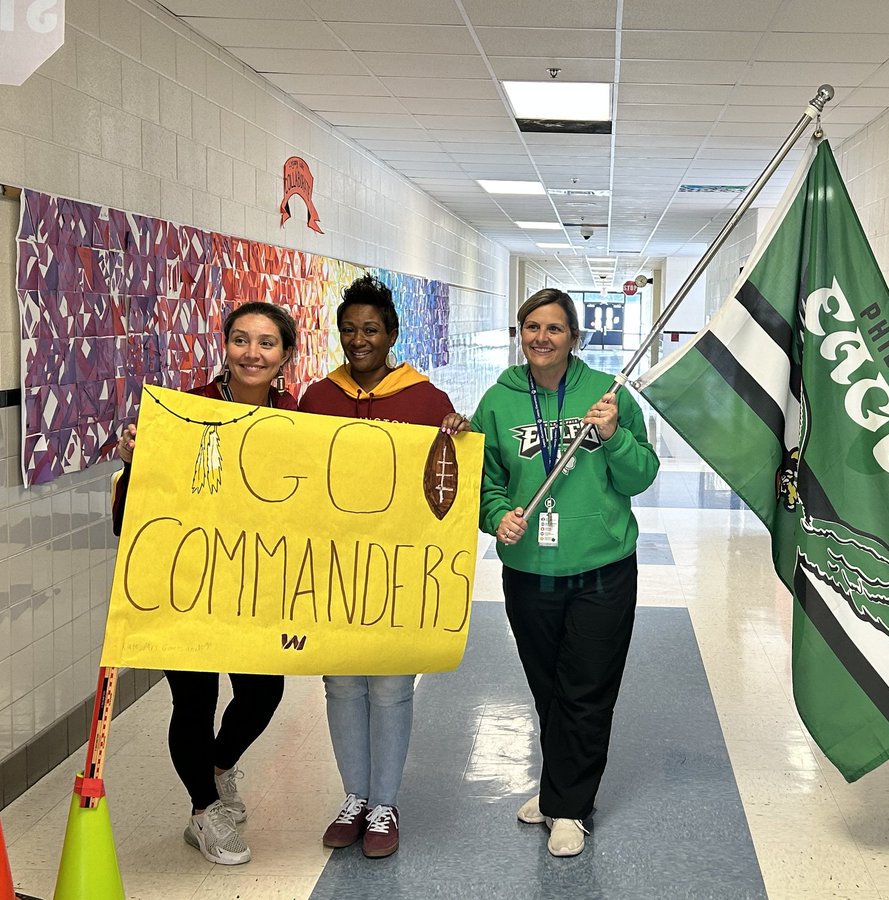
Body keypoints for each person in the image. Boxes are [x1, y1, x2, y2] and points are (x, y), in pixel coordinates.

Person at [470, 288, 660, 857]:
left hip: (602, 568)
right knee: (548, 687)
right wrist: (496, 516)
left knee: (587, 690)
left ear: (574, 337)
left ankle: (571, 807)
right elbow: (485, 481)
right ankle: (559, 788)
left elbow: (641, 475)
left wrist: (613, 435)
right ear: (519, 334)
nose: (542, 338)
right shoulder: (498, 401)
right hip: (530, 571)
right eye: (532, 327)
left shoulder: (608, 395)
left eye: (554, 328)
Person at [112, 301, 298, 866]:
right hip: (188, 583)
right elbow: (135, 511)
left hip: (256, 583)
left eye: (266, 343)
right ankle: (203, 810)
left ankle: (217, 769)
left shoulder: (298, 418)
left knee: (264, 693)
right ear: (225, 345)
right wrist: (136, 461)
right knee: (194, 699)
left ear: (286, 354)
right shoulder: (185, 411)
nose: (252, 353)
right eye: (240, 339)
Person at [298, 274, 469, 859]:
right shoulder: (318, 399)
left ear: (391, 334)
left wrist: (459, 435)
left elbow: (445, 483)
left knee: (391, 687)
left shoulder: (425, 401)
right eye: (349, 329)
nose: (358, 340)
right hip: (333, 567)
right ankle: (355, 797)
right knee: (342, 683)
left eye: (370, 329)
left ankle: (385, 805)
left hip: (397, 570)